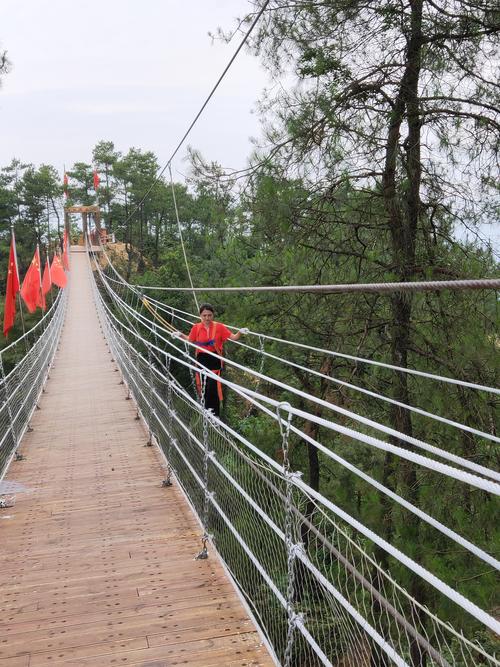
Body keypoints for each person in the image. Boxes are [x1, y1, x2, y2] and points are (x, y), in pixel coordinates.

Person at [171, 303, 248, 417]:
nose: (207, 318)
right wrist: (180, 335)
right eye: (204, 315)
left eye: (209, 315)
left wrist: (240, 333)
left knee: (213, 386)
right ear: (200, 316)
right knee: (205, 386)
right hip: (202, 359)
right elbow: (190, 339)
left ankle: (214, 413)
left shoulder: (219, 327)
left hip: (215, 358)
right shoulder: (196, 327)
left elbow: (233, 337)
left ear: (213, 315)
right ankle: (207, 411)